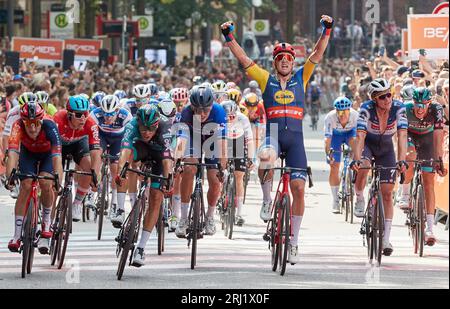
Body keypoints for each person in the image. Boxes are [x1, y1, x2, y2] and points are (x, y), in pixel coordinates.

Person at [221, 14, 333, 264]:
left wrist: (326, 30)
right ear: (274, 62)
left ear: (293, 63)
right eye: (280, 58)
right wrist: (229, 37)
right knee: (265, 156)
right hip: (273, 136)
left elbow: (317, 54)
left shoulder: (301, 77)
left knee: (299, 189)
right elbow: (244, 59)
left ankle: (293, 243)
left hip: (295, 140)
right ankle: (267, 199)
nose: (284, 61)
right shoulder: (265, 78)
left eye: (289, 59)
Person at [351, 78, 408, 256]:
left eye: (389, 94)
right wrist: (357, 159)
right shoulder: (366, 109)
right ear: (375, 99)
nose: (387, 99)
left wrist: (401, 160)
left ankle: (385, 238)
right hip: (368, 144)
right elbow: (360, 137)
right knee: (364, 166)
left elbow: (402, 135)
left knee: (387, 193)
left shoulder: (399, 108)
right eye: (383, 97)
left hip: (386, 149)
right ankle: (359, 196)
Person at [115, 105, 173, 266]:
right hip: (140, 149)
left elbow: (168, 160)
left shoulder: (165, 128)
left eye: (150, 128)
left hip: (159, 155)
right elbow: (125, 151)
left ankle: (141, 247)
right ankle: (121, 208)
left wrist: (169, 179)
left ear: (156, 124)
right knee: (127, 161)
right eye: (142, 128)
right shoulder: (132, 125)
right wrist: (121, 171)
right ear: (138, 123)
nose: (146, 132)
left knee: (156, 197)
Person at [5, 101, 63, 254]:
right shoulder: (17, 126)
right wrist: (9, 176)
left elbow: (57, 157)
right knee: (25, 185)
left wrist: (57, 179)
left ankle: (45, 224)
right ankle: (17, 236)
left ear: (41, 120)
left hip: (47, 155)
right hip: (28, 154)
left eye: (36, 123)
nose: (32, 127)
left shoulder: (50, 125)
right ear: (22, 121)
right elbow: (12, 153)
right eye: (28, 123)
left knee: (46, 182)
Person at [174, 85, 227, 237]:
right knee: (189, 169)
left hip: (212, 140)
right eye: (198, 110)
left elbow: (223, 143)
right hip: (193, 139)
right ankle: (183, 218)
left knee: (215, 178)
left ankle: (209, 217)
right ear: (192, 106)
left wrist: (222, 167)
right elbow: (182, 140)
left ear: (212, 106)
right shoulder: (185, 112)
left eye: (206, 110)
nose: (202, 114)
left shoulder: (218, 112)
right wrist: (178, 160)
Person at [397, 87, 447, 245]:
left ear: (429, 103)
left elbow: (439, 137)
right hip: (409, 136)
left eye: (424, 105)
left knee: (429, 182)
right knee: (410, 156)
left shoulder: (437, 109)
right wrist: (402, 158)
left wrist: (439, 160)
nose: (420, 108)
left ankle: (430, 229)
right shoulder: (405, 109)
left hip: (427, 138)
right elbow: (401, 135)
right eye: (417, 104)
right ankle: (405, 193)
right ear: (413, 103)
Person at [53, 95, 102, 222]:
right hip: (60, 146)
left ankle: (77, 203)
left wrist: (95, 174)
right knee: (53, 181)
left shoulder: (91, 124)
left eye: (85, 113)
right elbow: (52, 149)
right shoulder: (58, 119)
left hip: (78, 145)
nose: (83, 118)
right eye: (79, 115)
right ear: (69, 114)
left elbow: (96, 152)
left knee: (88, 167)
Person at [90, 94, 132, 226]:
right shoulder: (95, 114)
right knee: (97, 155)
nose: (107, 117)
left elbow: (130, 136)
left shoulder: (126, 116)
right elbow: (91, 134)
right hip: (101, 136)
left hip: (118, 139)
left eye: (111, 114)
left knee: (115, 168)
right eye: (105, 114)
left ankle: (114, 203)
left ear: (118, 111)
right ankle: (92, 192)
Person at [221, 100, 255, 225]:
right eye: (227, 117)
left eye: (232, 117)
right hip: (224, 141)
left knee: (239, 176)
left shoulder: (243, 119)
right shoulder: (218, 117)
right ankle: (221, 195)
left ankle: (239, 213)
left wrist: (251, 159)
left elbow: (250, 140)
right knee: (220, 171)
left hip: (239, 142)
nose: (230, 119)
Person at [324, 97, 358, 213]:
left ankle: (352, 178)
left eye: (346, 111)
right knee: (334, 166)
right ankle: (335, 199)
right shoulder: (330, 117)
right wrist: (328, 154)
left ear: (350, 110)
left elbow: (360, 138)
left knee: (357, 152)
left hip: (350, 134)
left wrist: (357, 154)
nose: (343, 115)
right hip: (336, 136)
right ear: (336, 111)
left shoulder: (355, 116)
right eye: (340, 111)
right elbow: (327, 139)